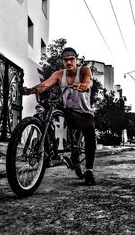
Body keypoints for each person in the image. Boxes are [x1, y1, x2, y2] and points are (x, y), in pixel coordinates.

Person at [22, 47, 97, 186]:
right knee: (47, 112)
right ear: (62, 61)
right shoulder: (59, 74)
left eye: (72, 59)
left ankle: (89, 170)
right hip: (67, 111)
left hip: (83, 113)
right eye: (66, 60)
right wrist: (31, 90)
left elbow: (89, 81)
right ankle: (47, 148)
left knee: (90, 130)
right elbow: (44, 85)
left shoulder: (84, 70)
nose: (69, 62)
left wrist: (84, 86)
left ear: (76, 60)